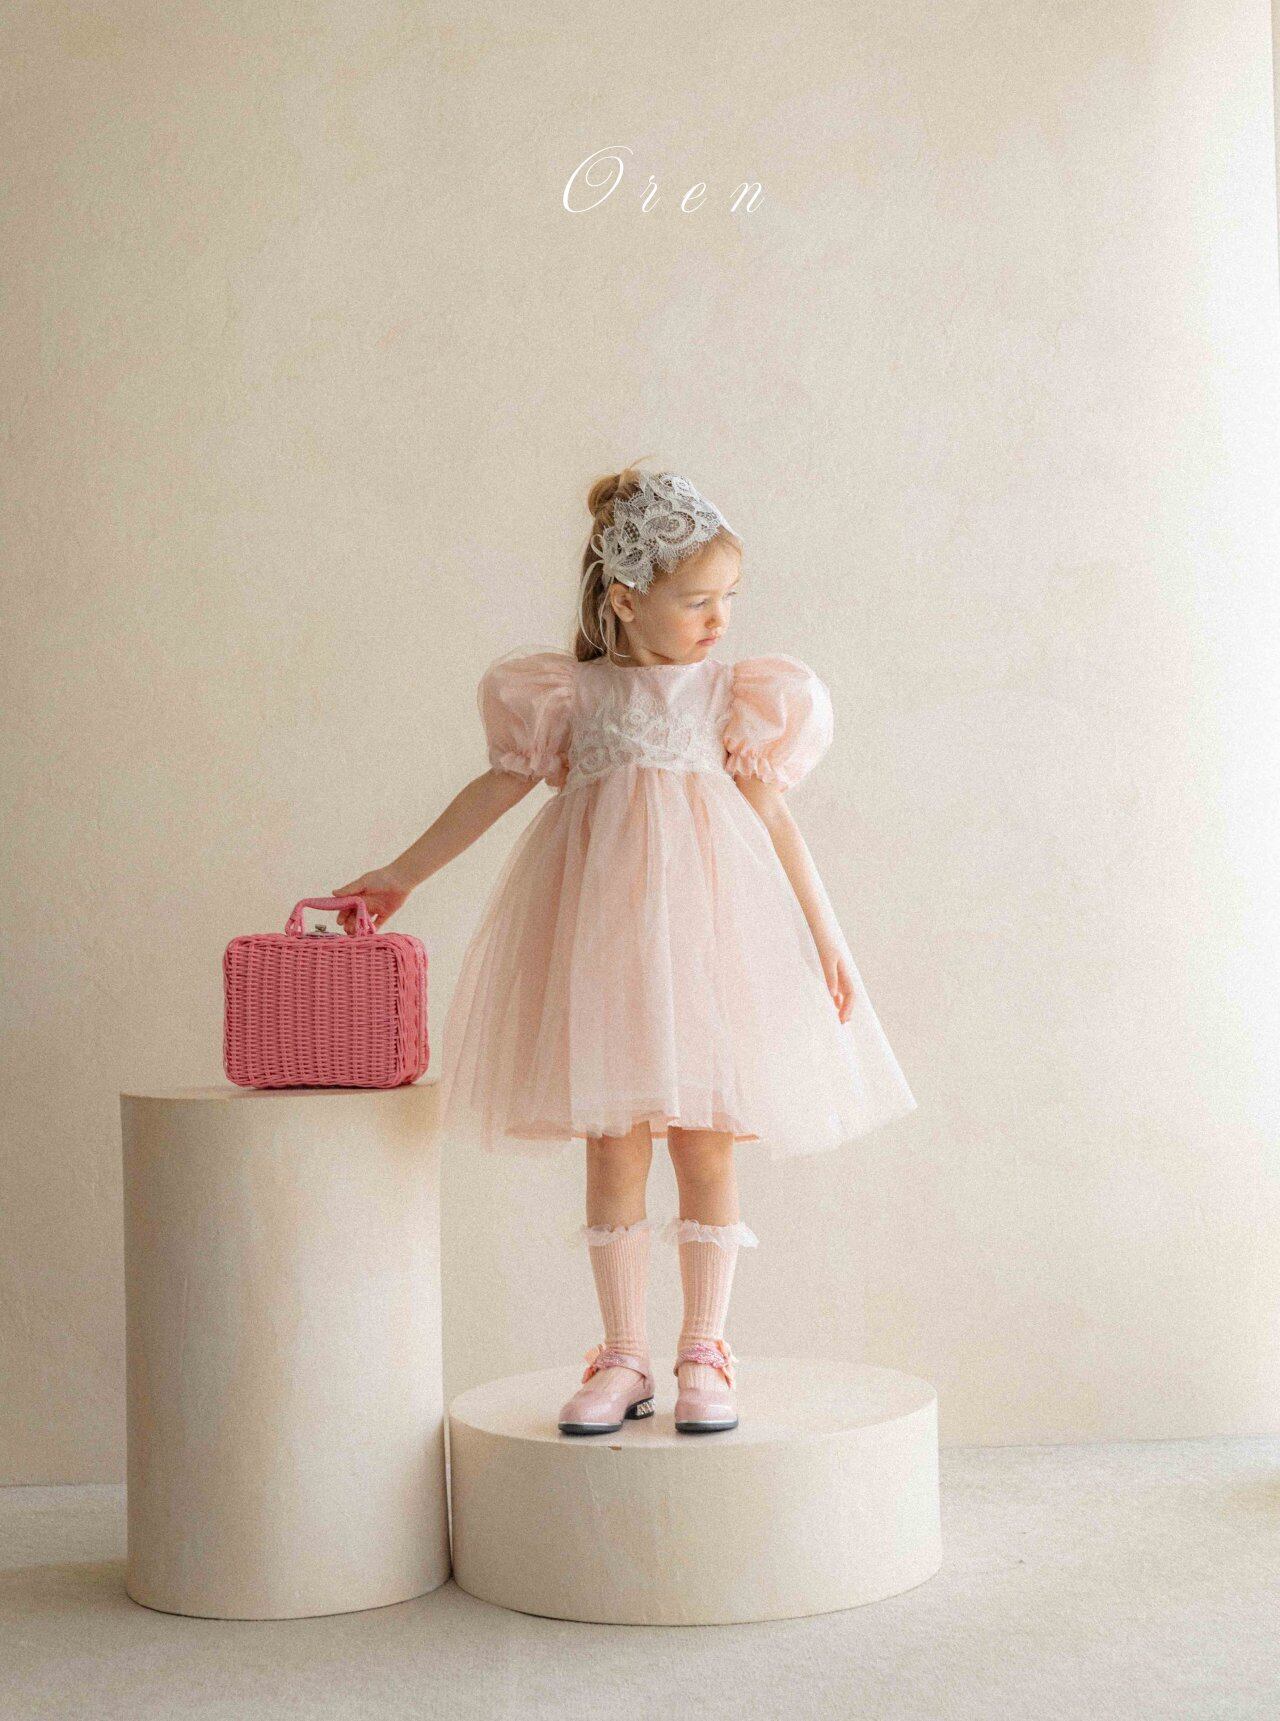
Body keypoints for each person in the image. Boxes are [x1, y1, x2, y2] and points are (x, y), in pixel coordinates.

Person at [333, 462, 917, 1438]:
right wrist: (400, 873)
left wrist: (829, 939)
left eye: (728, 597)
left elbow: (774, 821)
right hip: (603, 947)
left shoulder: (732, 694)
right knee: (612, 1142)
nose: (720, 619)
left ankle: (704, 1348)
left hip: (710, 946)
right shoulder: (571, 694)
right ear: (625, 598)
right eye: (698, 600)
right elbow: (494, 790)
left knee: (706, 1139)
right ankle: (622, 1353)